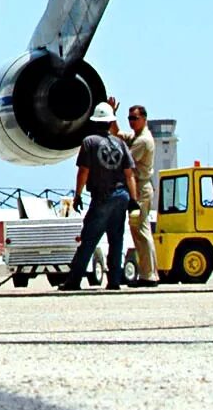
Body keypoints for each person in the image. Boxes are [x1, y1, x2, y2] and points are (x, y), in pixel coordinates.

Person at [60, 103, 135, 291]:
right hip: (122, 196)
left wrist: (77, 195)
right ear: (110, 122)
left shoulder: (89, 142)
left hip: (103, 197)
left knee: (89, 239)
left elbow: (83, 171)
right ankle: (115, 281)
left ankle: (74, 280)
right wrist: (133, 200)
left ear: (94, 122)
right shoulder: (121, 143)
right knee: (116, 239)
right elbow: (129, 174)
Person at [125, 104, 159, 287]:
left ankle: (148, 276)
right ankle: (151, 273)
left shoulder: (142, 141)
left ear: (144, 119)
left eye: (134, 118)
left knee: (141, 232)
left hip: (140, 187)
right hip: (142, 186)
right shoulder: (138, 137)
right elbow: (120, 135)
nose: (131, 122)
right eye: (129, 118)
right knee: (142, 231)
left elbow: (126, 161)